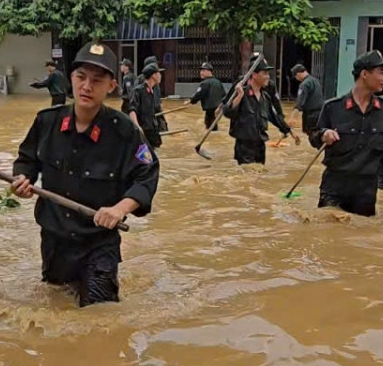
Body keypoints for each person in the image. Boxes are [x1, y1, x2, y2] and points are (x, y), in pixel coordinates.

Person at [12, 41, 159, 307]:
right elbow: (26, 160)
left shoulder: (124, 132)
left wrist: (119, 208)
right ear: (71, 78)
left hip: (98, 244)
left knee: (100, 317)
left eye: (97, 80)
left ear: (111, 86)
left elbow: (147, 174)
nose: (86, 86)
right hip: (55, 241)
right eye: (81, 77)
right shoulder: (47, 122)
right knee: (55, 309)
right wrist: (22, 179)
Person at [309, 51, 383, 216]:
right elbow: (314, 136)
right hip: (334, 187)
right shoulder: (333, 107)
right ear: (365, 74)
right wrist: (324, 135)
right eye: (381, 73)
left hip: (366, 190)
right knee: (327, 232)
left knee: (362, 235)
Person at [222, 57, 298, 165]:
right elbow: (228, 112)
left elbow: (274, 117)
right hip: (245, 146)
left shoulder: (265, 97)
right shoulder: (242, 93)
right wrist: (239, 96)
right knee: (248, 176)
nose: (268, 77)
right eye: (265, 73)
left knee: (259, 176)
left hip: (260, 145)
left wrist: (289, 131)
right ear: (254, 75)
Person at [129, 62, 164, 149]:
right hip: (142, 132)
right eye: (159, 73)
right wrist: (138, 128)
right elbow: (132, 110)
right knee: (144, 159)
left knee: (153, 159)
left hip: (151, 131)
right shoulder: (138, 91)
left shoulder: (153, 90)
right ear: (153, 75)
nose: (160, 75)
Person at [189, 62, 225, 130]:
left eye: (203, 70)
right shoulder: (218, 82)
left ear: (209, 71)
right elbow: (224, 96)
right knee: (214, 126)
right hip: (218, 109)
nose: (201, 73)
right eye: (201, 71)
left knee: (209, 127)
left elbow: (199, 94)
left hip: (210, 110)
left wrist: (191, 100)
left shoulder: (205, 83)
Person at [291, 63, 324, 134]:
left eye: (295, 76)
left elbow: (300, 103)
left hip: (310, 115)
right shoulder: (316, 81)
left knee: (312, 136)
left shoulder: (304, 84)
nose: (296, 79)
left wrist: (293, 117)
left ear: (298, 74)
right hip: (320, 113)